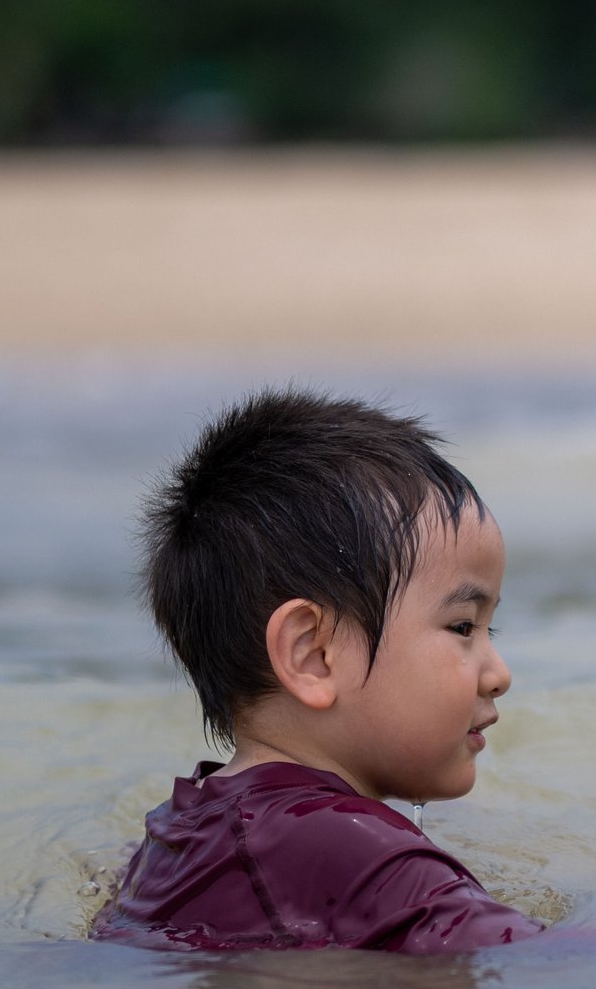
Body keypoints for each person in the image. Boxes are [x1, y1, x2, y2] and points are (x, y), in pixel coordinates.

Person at [95, 388, 544, 956]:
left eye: (488, 631)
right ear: (312, 654)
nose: (499, 674)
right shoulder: (348, 851)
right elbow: (545, 966)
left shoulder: (183, 829)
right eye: (462, 627)